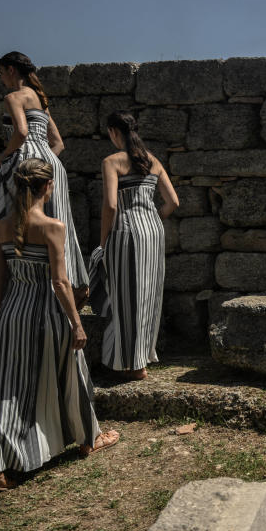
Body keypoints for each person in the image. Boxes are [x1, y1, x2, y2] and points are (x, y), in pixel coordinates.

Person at [0, 159, 119, 492]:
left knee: (6, 390)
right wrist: (76, 323)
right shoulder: (53, 227)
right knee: (73, 373)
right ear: (46, 187)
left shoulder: (1, 226)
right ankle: (89, 438)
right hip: (47, 314)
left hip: (12, 313)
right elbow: (59, 282)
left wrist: (3, 315)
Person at [0, 51, 89, 302]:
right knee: (55, 219)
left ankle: (26, 280)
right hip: (53, 164)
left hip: (26, 161)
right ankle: (64, 282)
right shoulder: (41, 101)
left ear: (11, 71)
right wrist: (47, 158)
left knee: (18, 215)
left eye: (2, 73)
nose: (1, 78)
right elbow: (58, 143)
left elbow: (21, 133)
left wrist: (5, 155)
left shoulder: (13, 97)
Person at [88, 111, 177, 379]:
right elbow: (173, 203)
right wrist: (152, 220)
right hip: (152, 232)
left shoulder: (111, 162)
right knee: (148, 296)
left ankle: (130, 364)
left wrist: (103, 242)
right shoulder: (153, 161)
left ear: (115, 131)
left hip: (124, 232)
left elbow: (111, 206)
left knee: (124, 297)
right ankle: (141, 361)